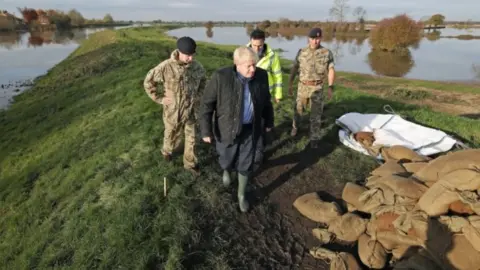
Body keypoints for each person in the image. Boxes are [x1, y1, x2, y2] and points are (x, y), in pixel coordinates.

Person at [199, 46, 274, 212]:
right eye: (249, 66)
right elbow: (206, 105)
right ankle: (226, 169)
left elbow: (266, 102)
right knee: (227, 157)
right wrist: (205, 131)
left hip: (250, 128)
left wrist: (269, 122)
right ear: (237, 64)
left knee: (246, 162)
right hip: (227, 128)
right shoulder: (221, 77)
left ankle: (241, 195)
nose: (253, 69)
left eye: (254, 64)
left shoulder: (262, 76)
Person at [143, 36, 206, 176]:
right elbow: (148, 82)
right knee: (172, 134)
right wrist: (159, 98)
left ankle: (190, 164)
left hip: (191, 110)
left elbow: (203, 82)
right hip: (173, 111)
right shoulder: (165, 67)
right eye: (187, 55)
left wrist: (198, 97)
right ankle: (167, 151)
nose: (190, 58)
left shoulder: (197, 67)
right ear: (179, 52)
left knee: (192, 138)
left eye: (192, 55)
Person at [288, 27, 335, 148]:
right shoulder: (301, 52)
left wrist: (330, 87)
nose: (315, 41)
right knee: (298, 110)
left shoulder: (326, 53)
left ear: (321, 38)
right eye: (313, 38)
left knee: (316, 115)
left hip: (317, 88)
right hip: (302, 87)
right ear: (309, 39)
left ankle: (314, 138)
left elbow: (331, 69)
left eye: (318, 38)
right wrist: (290, 84)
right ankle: (295, 128)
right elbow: (294, 68)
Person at [247, 29, 283, 165]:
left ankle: (258, 154)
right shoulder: (243, 52)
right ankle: (247, 148)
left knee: (261, 124)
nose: (257, 48)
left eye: (260, 45)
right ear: (250, 41)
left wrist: (278, 94)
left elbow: (278, 75)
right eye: (255, 45)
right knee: (247, 122)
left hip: (264, 96)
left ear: (264, 42)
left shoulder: (272, 56)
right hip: (248, 94)